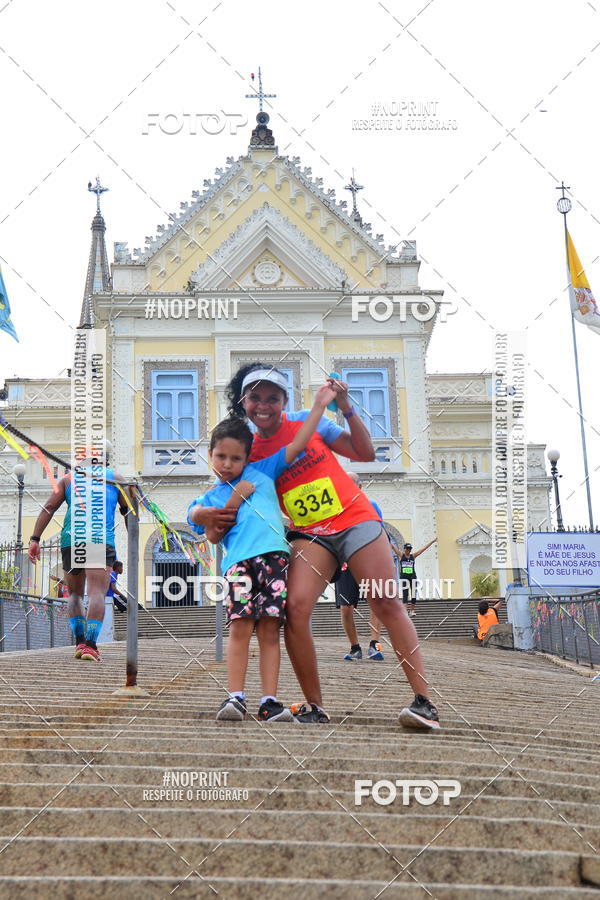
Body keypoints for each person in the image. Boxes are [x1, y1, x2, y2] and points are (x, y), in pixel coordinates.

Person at [194, 363, 441, 730]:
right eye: (255, 398)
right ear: (243, 401)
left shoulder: (308, 422)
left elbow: (365, 451)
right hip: (309, 533)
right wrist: (207, 520)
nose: (264, 405)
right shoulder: (244, 447)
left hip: (354, 518)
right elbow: (226, 496)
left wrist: (345, 407)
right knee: (293, 607)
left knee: (385, 599)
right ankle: (315, 706)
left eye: (272, 398)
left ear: (284, 400)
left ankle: (425, 703)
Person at [187, 381, 337, 724]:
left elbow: (298, 443)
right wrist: (234, 498)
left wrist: (318, 408)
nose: (227, 464)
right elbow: (209, 533)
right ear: (210, 455)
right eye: (221, 456)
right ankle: (235, 696)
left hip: (275, 559)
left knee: (270, 630)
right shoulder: (209, 496)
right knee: (240, 627)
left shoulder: (264, 471)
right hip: (239, 563)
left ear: (248, 456)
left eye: (236, 458)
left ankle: (269, 700)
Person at [28, 447, 129, 662]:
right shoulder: (116, 479)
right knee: (96, 593)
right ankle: (91, 646)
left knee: (74, 594)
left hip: (71, 540)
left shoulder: (68, 479)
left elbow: (48, 508)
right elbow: (130, 511)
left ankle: (80, 642)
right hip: (99, 540)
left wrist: (35, 539)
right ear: (105, 459)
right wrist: (133, 541)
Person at [337, 472, 402, 662]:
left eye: (352, 484)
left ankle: (375, 645)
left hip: (367, 562)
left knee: (376, 603)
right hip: (345, 564)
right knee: (346, 608)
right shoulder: (335, 508)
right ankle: (354, 647)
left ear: (360, 486)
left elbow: (379, 532)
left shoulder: (371, 506)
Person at [398, 539, 437, 617]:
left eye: (409, 549)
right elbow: (392, 547)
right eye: (407, 549)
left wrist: (432, 541)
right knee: (405, 595)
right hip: (404, 578)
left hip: (412, 577)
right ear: (404, 549)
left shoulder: (413, 556)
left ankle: (412, 611)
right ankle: (405, 612)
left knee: (413, 595)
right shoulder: (401, 555)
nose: (408, 550)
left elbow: (423, 549)